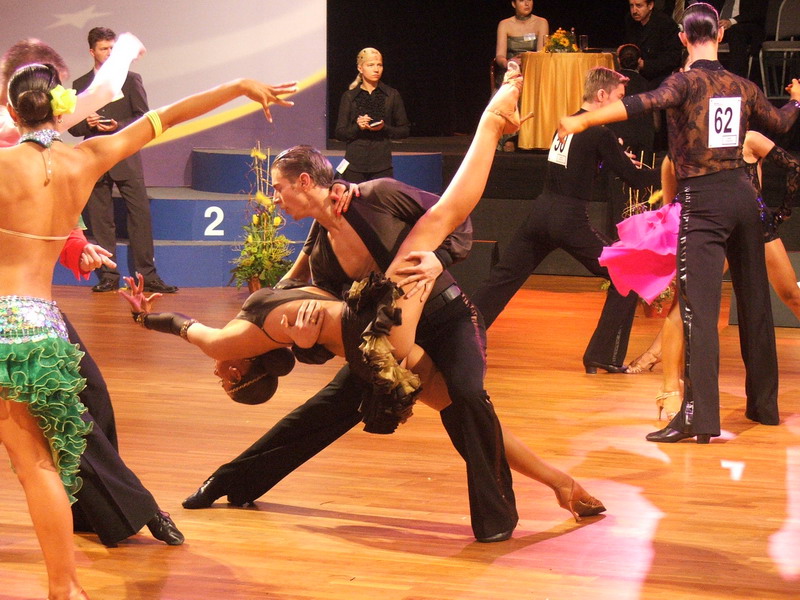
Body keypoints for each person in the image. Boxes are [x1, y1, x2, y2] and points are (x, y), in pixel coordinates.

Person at [121, 72, 605, 527]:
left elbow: (454, 220)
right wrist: (304, 344)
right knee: (320, 413)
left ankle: (517, 509)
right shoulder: (320, 255)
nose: (275, 198)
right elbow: (324, 326)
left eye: (279, 188)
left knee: (467, 401)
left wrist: (439, 258)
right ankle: (232, 481)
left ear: (305, 182)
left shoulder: (377, 196)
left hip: (448, 317)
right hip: (387, 337)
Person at [0, 57, 295, 599]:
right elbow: (167, 117)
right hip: (42, 328)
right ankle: (65, 588)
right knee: (39, 467)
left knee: (35, 461)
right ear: (59, 108)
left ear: (12, 110)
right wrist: (236, 86)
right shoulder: (87, 158)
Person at [558, 2, 800, 443]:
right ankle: (764, 407)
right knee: (756, 306)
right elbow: (781, 122)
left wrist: (586, 119)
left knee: (698, 311)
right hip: (744, 198)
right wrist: (798, 97)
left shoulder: (684, 82)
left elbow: (640, 103)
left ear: (683, 38)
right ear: (721, 35)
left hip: (704, 202)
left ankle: (698, 419)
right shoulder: (743, 85)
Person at [0, 35, 185, 549]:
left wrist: (76, 247)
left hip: (25, 305)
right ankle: (135, 508)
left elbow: (45, 210)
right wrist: (126, 46)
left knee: (91, 394)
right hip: (11, 312)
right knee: (63, 417)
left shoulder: (35, 138)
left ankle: (95, 510)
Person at [470, 67, 661, 375]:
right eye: (619, 97)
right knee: (627, 274)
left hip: (540, 214)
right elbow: (635, 179)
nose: (621, 105)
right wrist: (672, 172)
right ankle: (603, 355)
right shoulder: (600, 132)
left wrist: (610, 159)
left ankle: (459, 337)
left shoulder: (567, 122)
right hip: (568, 220)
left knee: (501, 281)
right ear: (602, 95)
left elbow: (577, 164)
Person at [617, 132, 800, 422]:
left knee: (792, 295)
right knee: (684, 305)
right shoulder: (679, 152)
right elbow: (671, 207)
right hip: (713, 231)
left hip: (756, 225)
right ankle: (668, 387)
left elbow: (793, 165)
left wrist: (780, 214)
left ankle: (655, 357)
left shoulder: (750, 139)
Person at [68, 27, 176, 294]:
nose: (109, 53)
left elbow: (143, 118)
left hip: (125, 156)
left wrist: (118, 125)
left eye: (112, 48)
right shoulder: (80, 84)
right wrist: (87, 122)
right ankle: (108, 275)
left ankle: (147, 275)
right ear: (92, 51)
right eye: (103, 49)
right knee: (100, 220)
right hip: (95, 159)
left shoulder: (131, 79)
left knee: (140, 215)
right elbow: (72, 128)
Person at [334, 47, 409, 183]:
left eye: (379, 65)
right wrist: (358, 127)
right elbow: (340, 133)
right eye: (370, 65)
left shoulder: (391, 95)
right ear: (360, 68)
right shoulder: (349, 96)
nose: (376, 69)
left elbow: (404, 130)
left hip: (382, 165)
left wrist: (384, 127)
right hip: (354, 165)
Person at [624, 0, 683, 88]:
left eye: (639, 6)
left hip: (660, 79)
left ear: (650, 5)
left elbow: (673, 59)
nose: (634, 11)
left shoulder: (666, 24)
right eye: (631, 6)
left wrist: (645, 64)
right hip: (635, 75)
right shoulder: (630, 20)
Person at [494, 0, 549, 87]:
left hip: (533, 70)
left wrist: (526, 62)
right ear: (514, 4)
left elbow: (541, 53)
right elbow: (500, 56)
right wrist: (508, 64)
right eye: (522, 0)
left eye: (529, 0)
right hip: (511, 71)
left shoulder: (541, 22)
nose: (527, 4)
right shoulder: (504, 24)